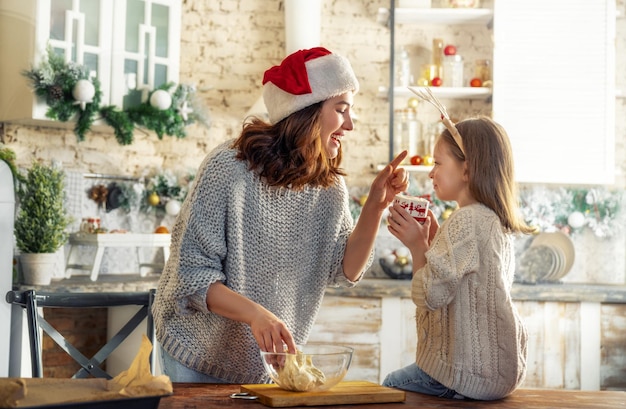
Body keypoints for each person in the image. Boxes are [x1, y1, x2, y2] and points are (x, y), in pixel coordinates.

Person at [152, 47, 409, 384]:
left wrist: (376, 203)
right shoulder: (228, 170)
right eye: (341, 110)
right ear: (307, 112)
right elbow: (193, 278)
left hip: (265, 365)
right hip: (196, 352)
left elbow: (346, 268)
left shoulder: (328, 187)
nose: (350, 124)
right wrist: (257, 315)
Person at [383, 115, 534, 400]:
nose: (431, 173)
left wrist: (417, 247)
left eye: (438, 163)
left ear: (467, 169)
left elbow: (429, 295)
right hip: (499, 373)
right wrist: (433, 243)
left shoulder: (464, 221)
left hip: (461, 375)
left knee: (391, 385)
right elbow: (460, 280)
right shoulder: (492, 220)